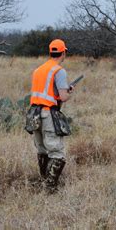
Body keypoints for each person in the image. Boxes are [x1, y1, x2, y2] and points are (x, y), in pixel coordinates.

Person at [30, 39, 74, 192]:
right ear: (63, 52)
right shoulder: (58, 71)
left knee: (42, 150)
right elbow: (63, 97)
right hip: (48, 115)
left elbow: (45, 92)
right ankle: (49, 188)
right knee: (57, 153)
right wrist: (69, 92)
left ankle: (44, 181)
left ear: (50, 52)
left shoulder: (38, 70)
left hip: (34, 115)